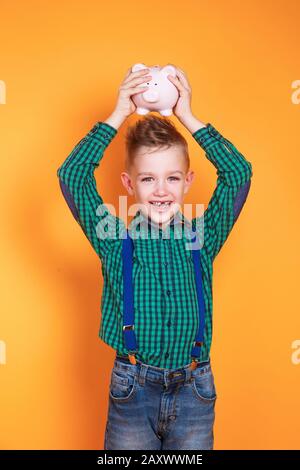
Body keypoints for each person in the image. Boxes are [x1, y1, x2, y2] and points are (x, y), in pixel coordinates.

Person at [57, 65, 253, 450]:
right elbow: (72, 175)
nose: (161, 190)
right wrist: (118, 113)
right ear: (129, 184)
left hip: (194, 389)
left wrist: (186, 116)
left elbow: (238, 173)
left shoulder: (204, 235)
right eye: (148, 179)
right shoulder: (113, 238)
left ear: (188, 181)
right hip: (132, 389)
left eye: (172, 178)